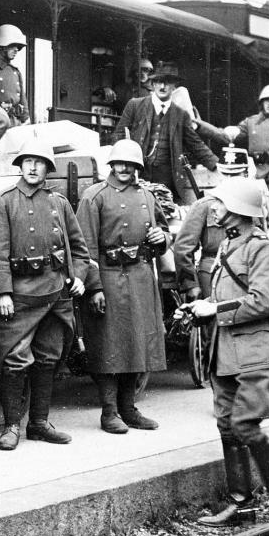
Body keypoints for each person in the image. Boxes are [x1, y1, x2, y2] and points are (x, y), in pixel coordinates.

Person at [188, 177, 269, 525]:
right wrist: (202, 304)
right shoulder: (226, 246)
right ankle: (242, 504)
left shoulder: (263, 249)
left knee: (245, 424)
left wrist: (215, 311)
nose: (213, 208)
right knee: (226, 424)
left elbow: (263, 302)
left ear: (237, 210)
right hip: (227, 353)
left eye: (219, 203)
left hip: (258, 352)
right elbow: (225, 297)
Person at [0, 138, 92, 450]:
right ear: (20, 165)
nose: (32, 166)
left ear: (46, 169)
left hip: (55, 294)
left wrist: (79, 277)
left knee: (48, 357)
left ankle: (39, 423)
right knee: (15, 360)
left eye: (38, 162)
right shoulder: (4, 201)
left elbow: (80, 250)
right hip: (20, 296)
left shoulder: (59, 204)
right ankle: (12, 425)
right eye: (27, 161)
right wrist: (1, 292)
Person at [78, 139, 169, 434]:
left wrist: (161, 238)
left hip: (141, 275)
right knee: (110, 344)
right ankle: (109, 412)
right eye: (120, 163)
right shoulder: (95, 197)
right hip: (109, 276)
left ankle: (129, 409)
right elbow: (85, 248)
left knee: (137, 342)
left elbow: (164, 231)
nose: (125, 168)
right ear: (111, 164)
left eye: (131, 164)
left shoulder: (146, 196)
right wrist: (94, 288)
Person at [112, 61, 218, 206]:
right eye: (158, 82)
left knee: (163, 214)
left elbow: (196, 144)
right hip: (138, 172)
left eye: (167, 83)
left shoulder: (181, 115)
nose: (162, 87)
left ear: (174, 86)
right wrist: (124, 162)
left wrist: (216, 165)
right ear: (153, 83)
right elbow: (118, 135)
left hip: (167, 177)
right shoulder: (135, 105)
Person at [173, 147, 251, 299]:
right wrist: (191, 285)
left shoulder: (254, 205)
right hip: (212, 271)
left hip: (247, 271)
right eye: (226, 174)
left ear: (246, 174)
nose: (230, 179)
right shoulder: (205, 205)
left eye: (236, 174)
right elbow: (183, 248)